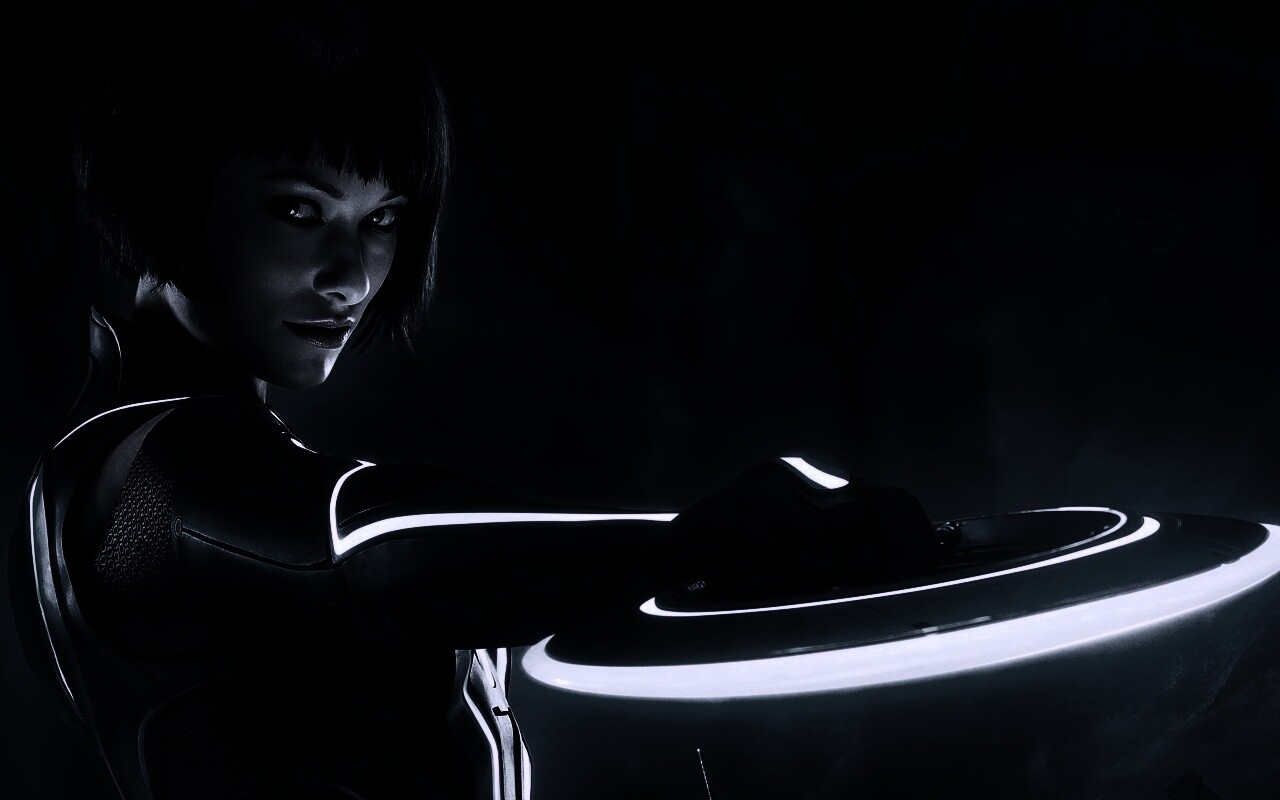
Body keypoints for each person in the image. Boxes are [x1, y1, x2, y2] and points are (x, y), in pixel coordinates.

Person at [7, 2, 941, 798]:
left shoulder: (121, 465)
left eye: (382, 220)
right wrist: (708, 534)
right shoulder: (151, 468)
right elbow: (379, 555)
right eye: (298, 209)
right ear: (168, 189)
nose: (349, 275)